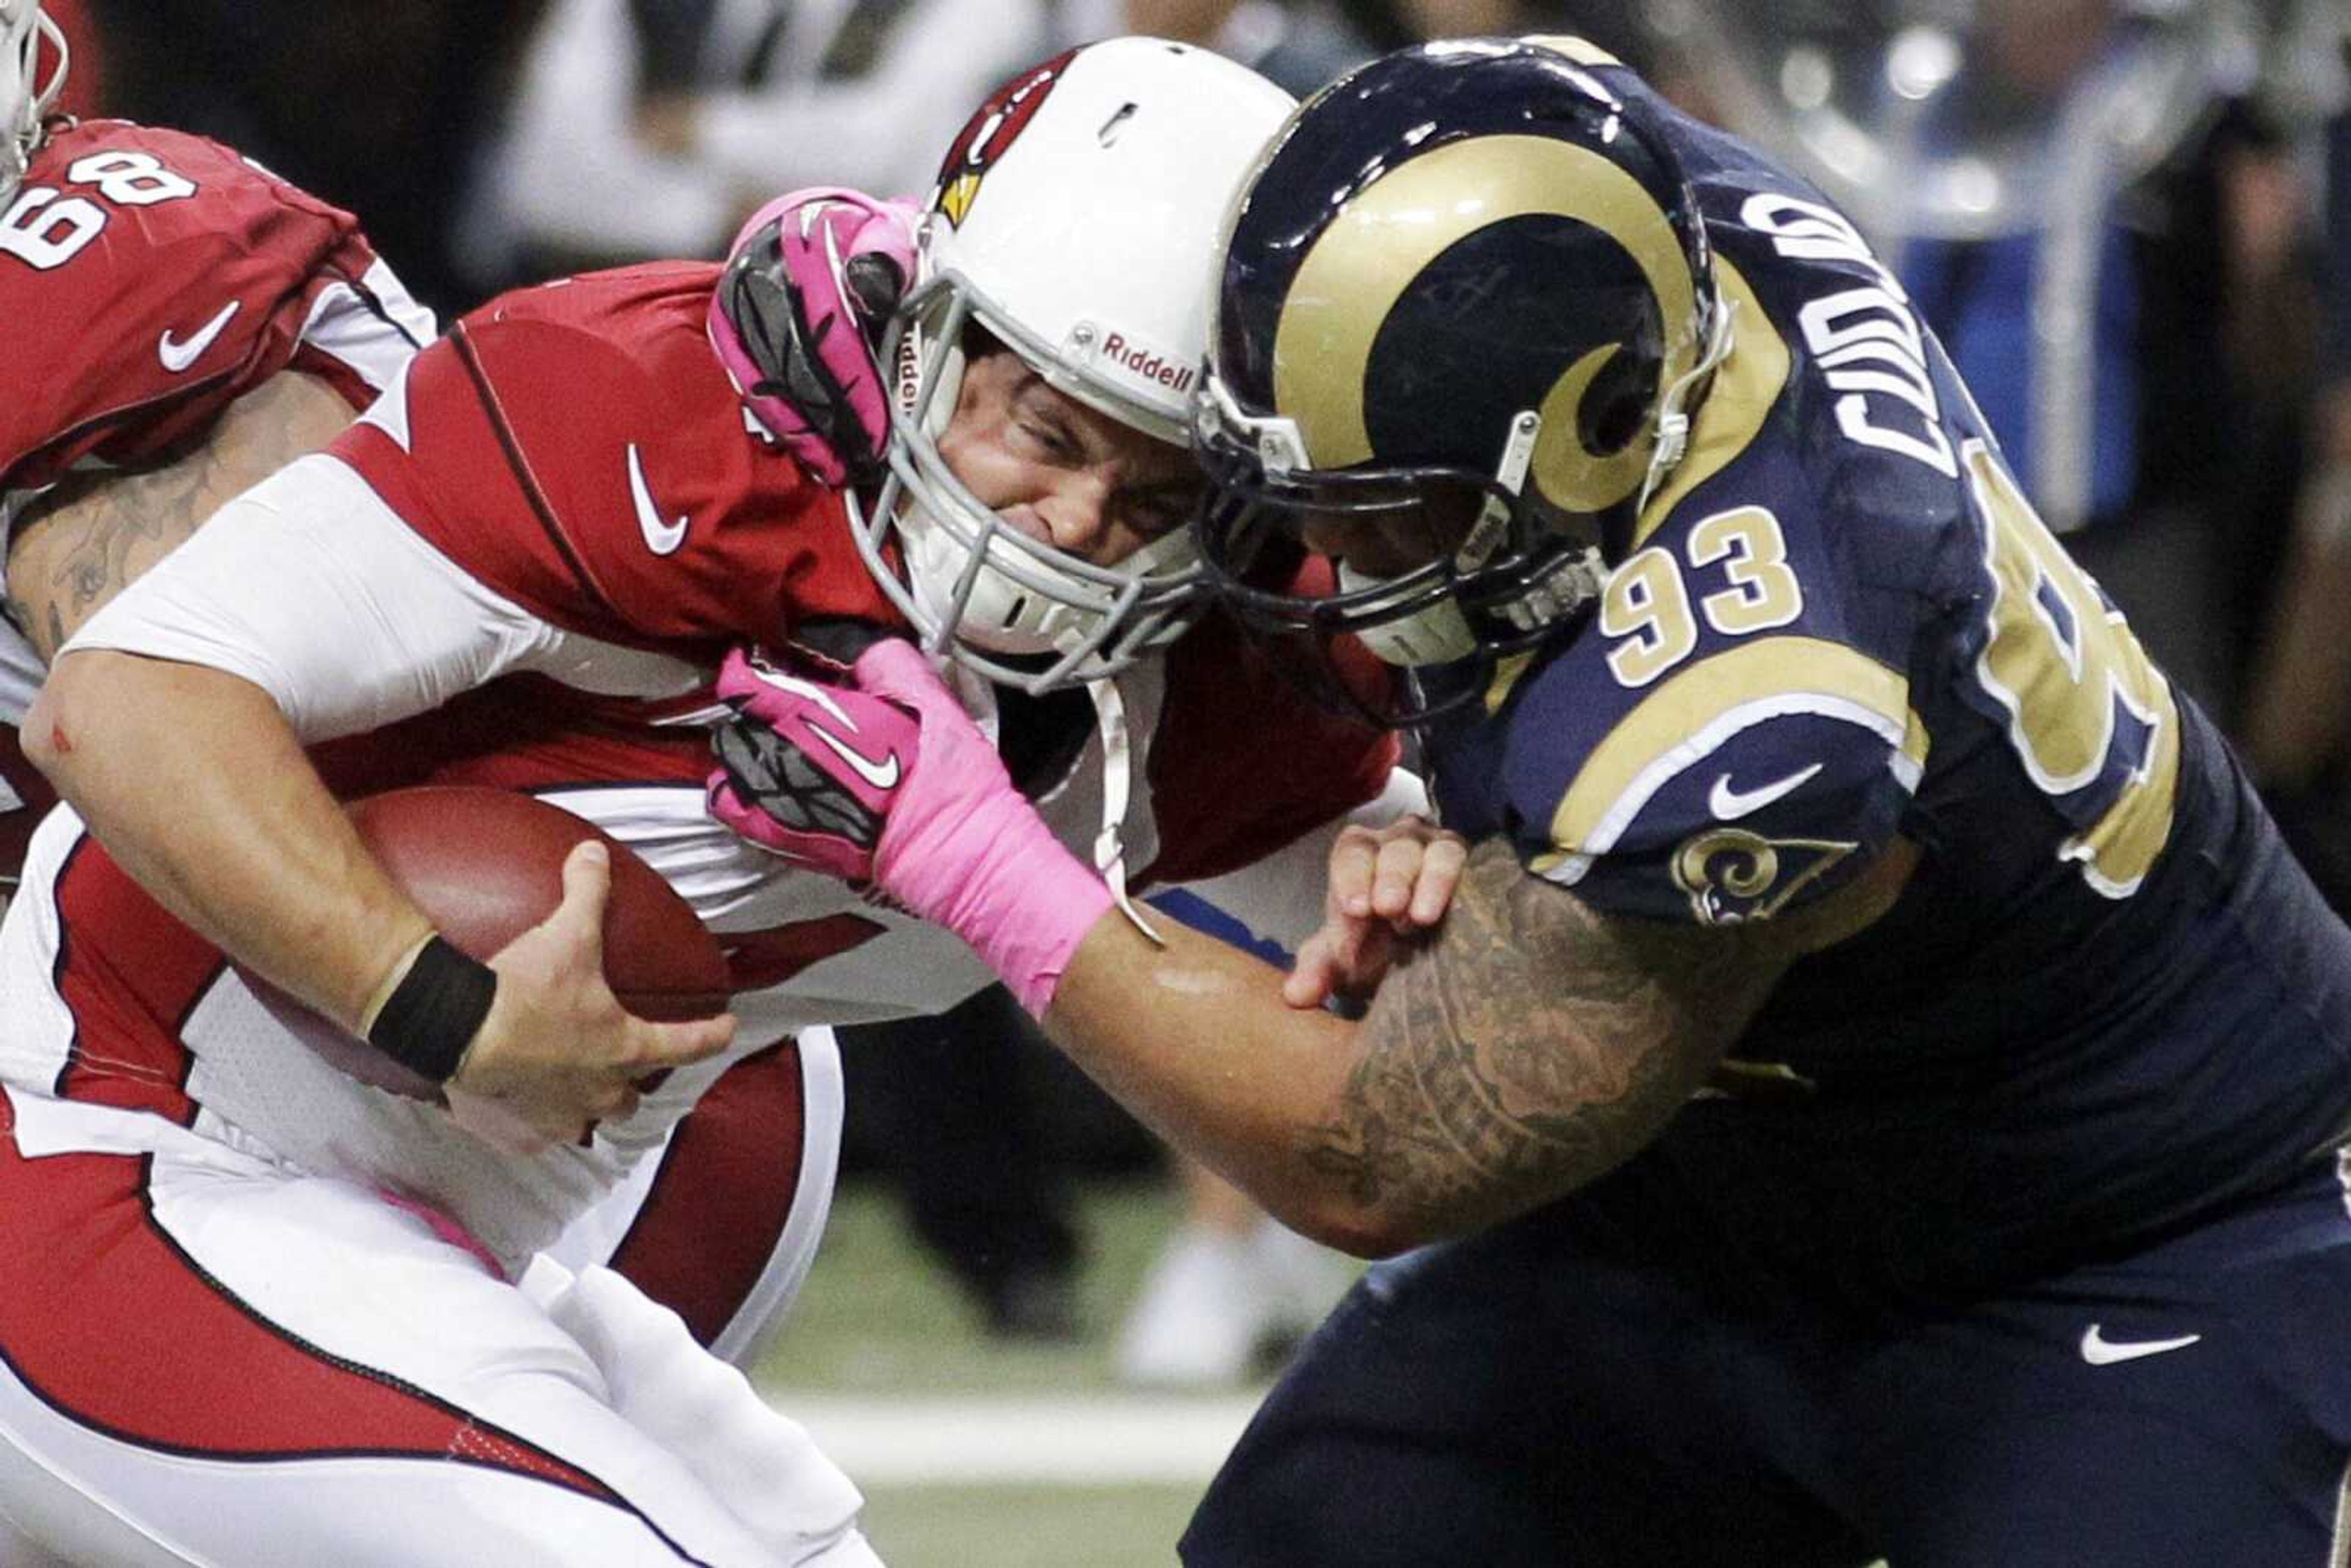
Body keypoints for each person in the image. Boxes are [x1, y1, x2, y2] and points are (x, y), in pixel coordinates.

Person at [710, 35, 2351, 1565]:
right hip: (1719, 1192)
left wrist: (967, 845)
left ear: (1589, 452)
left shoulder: (1763, 696)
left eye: (1381, 516)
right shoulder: (1564, 186)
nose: (1327, 563)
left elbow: (1377, 1153)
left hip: (2112, 1228)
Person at [10, 35, 1415, 1564]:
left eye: (1159, 494)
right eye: (1047, 432)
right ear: (932, 332)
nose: (1076, 524)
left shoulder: (1227, 668)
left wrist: (1453, 874)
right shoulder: (655, 414)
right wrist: (440, 1009)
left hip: (504, 1192)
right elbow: (129, 696)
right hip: (121, 1140)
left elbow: (1376, 1124)